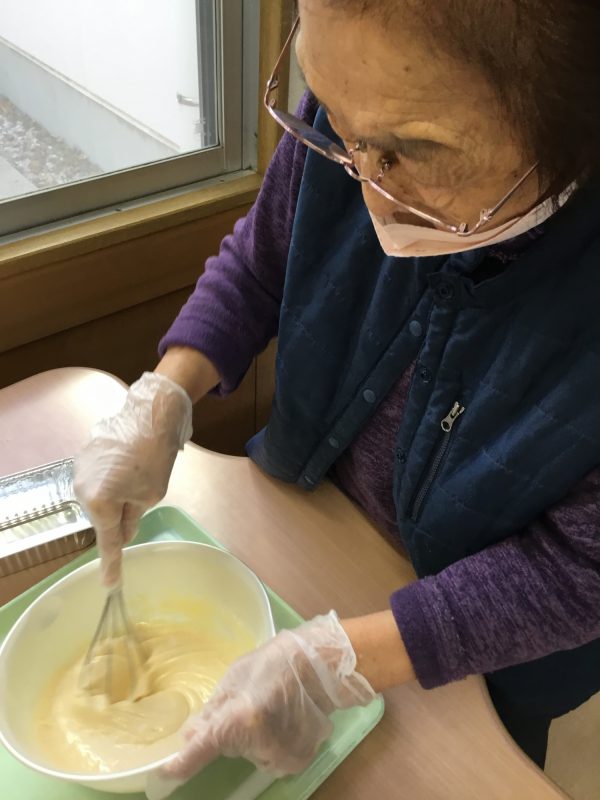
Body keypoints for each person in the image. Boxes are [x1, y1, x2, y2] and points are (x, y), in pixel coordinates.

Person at [74, 0, 600, 785]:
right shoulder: (365, 101)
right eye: (335, 122)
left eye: (412, 154)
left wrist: (342, 660)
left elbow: (575, 571)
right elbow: (263, 259)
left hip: (485, 660)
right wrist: (165, 395)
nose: (367, 193)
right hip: (310, 527)